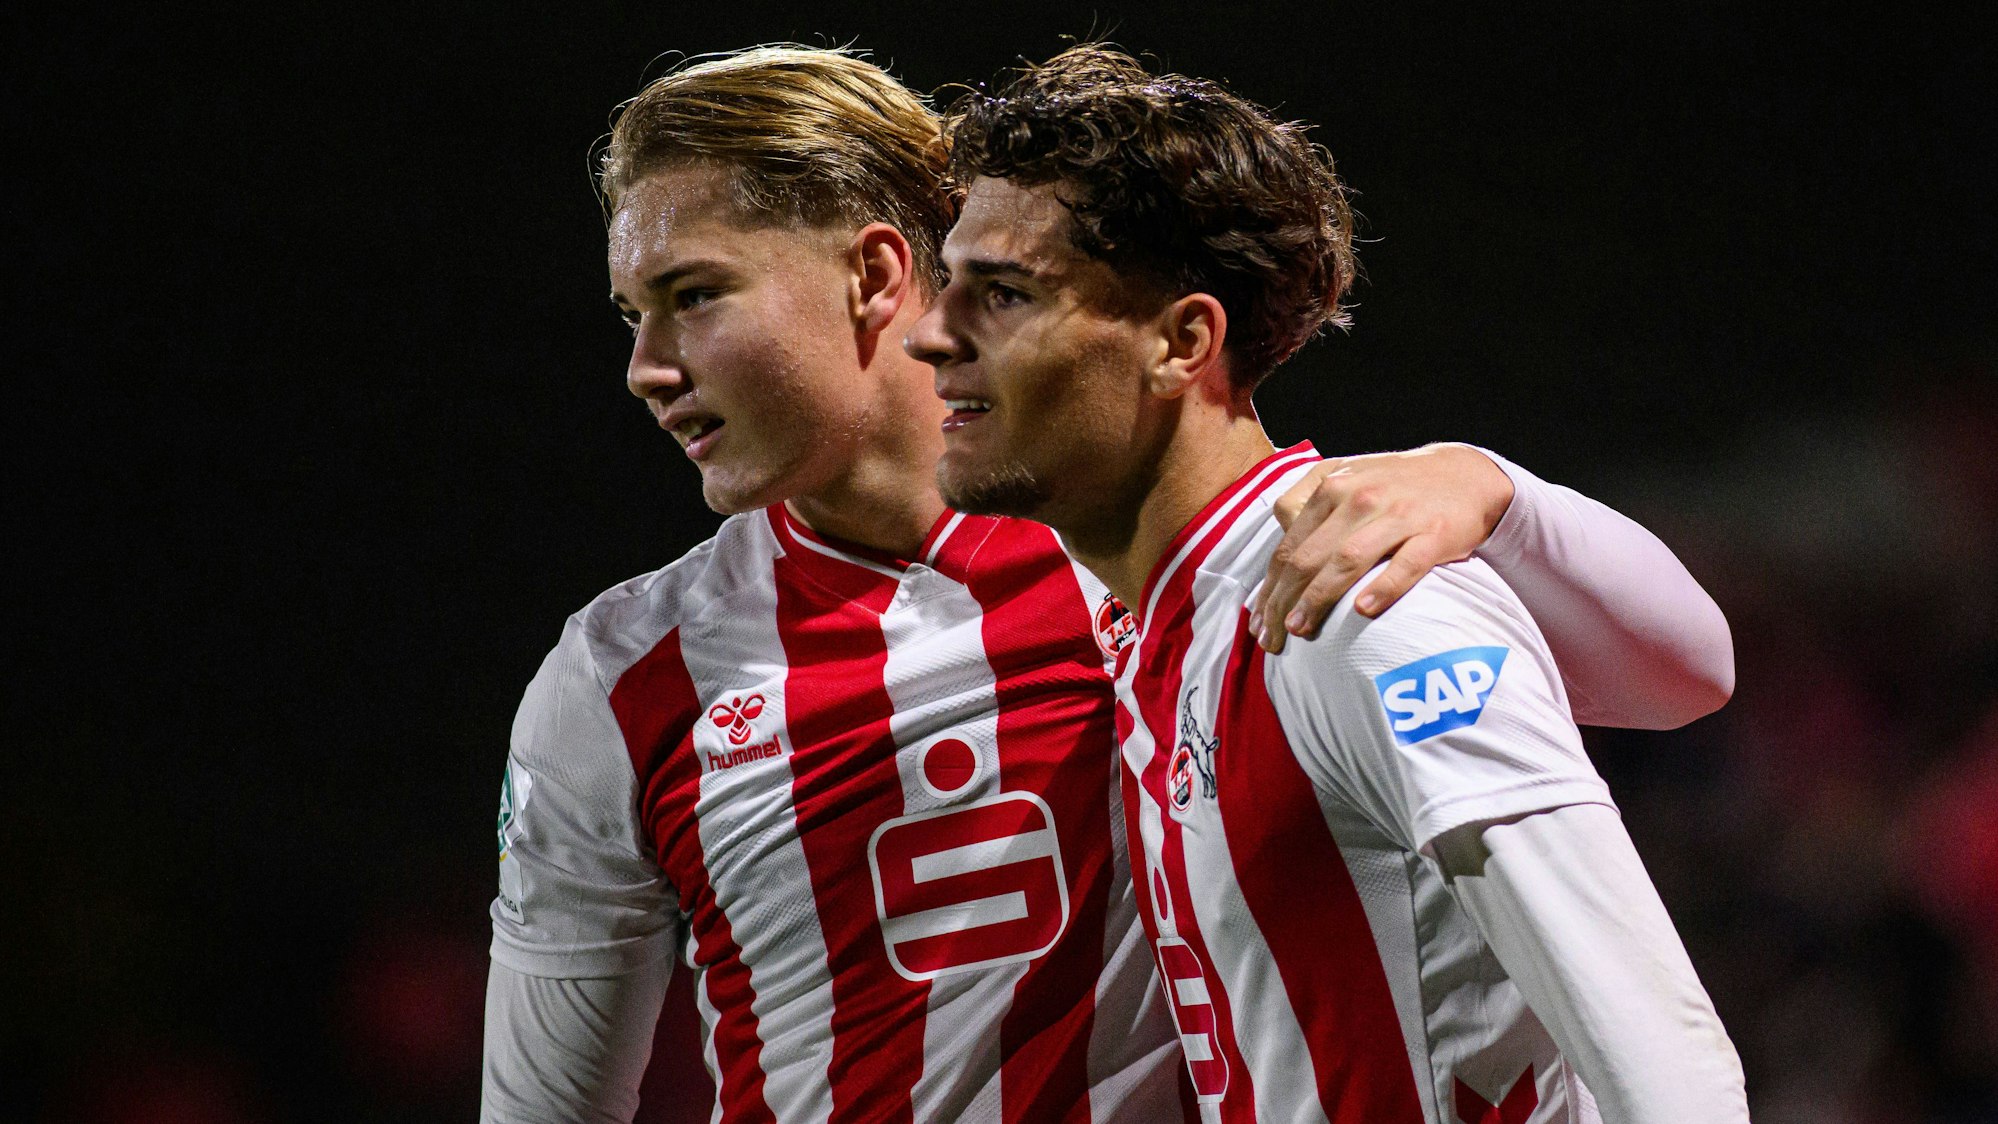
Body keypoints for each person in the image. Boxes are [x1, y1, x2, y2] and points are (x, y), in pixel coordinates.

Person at [484, 46, 1736, 1123]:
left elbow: (1687, 683)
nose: (645, 366)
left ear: (872, 274)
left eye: (694, 296)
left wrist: (1492, 488)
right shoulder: (623, 680)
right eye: (632, 314)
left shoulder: (1283, 575)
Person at [905, 44, 1750, 1123]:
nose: (932, 335)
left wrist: (1496, 488)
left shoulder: (1356, 603)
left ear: (1182, 341)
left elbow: (1662, 1054)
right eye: (949, 286)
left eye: (1004, 293)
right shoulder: (1165, 618)